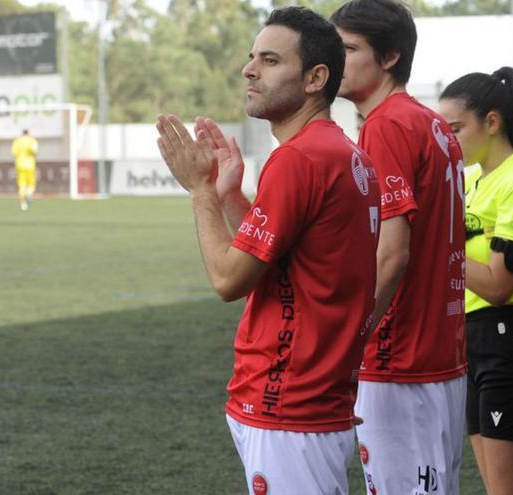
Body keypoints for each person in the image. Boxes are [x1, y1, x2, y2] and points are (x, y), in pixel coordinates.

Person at [155, 7, 380, 494]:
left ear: (315, 78)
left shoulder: (300, 159)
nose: (249, 69)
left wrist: (198, 192)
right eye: (252, 57)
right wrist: (229, 198)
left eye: (270, 60)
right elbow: (286, 259)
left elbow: (228, 279)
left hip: (287, 402)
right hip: (314, 400)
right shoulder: (341, 152)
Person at [331, 1, 467, 493]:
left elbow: (392, 253)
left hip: (400, 358)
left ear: (389, 57)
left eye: (348, 48)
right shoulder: (430, 123)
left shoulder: (386, 125)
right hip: (439, 354)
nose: (334, 59)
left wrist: (349, 340)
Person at [438, 66, 513, 494]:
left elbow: (496, 285)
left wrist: (440, 245)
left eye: (455, 129)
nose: (448, 141)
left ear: (492, 122)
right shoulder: (472, 180)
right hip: (475, 342)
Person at [11, 129, 38, 211]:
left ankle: (23, 203)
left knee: (22, 185)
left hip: (20, 165)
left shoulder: (17, 141)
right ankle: (29, 194)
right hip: (30, 165)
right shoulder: (32, 140)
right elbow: (35, 151)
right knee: (31, 184)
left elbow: (14, 153)